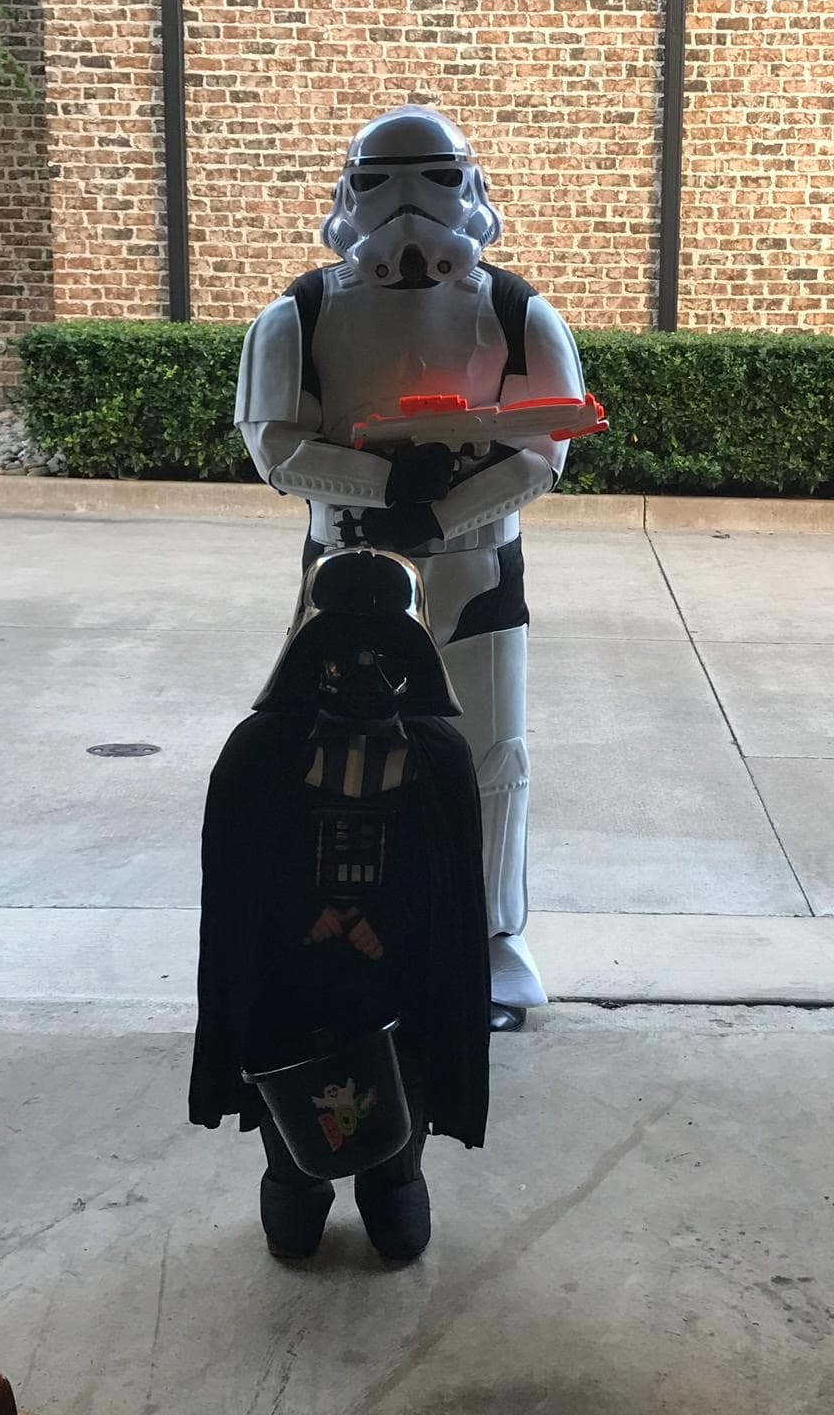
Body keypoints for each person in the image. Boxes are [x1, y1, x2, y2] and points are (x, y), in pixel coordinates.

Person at [235, 103, 588, 1030]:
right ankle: (337, 931)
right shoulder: (299, 315)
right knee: (332, 754)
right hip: (346, 565)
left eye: (436, 179)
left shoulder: (516, 311)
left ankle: (489, 940)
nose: (409, 210)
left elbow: (545, 447)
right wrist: (386, 482)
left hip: (476, 568)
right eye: (382, 182)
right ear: (348, 191)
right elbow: (274, 444)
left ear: (471, 186)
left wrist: (438, 504)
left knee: (491, 756)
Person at [189, 549, 490, 1263]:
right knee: (294, 1173)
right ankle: (296, 1180)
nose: (361, 671)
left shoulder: (437, 756)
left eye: (384, 652)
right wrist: (300, 915)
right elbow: (235, 878)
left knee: (396, 1183)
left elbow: (451, 894)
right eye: (340, 653)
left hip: (399, 981)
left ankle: (393, 1178)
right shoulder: (261, 752)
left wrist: (390, 927)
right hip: (291, 979)